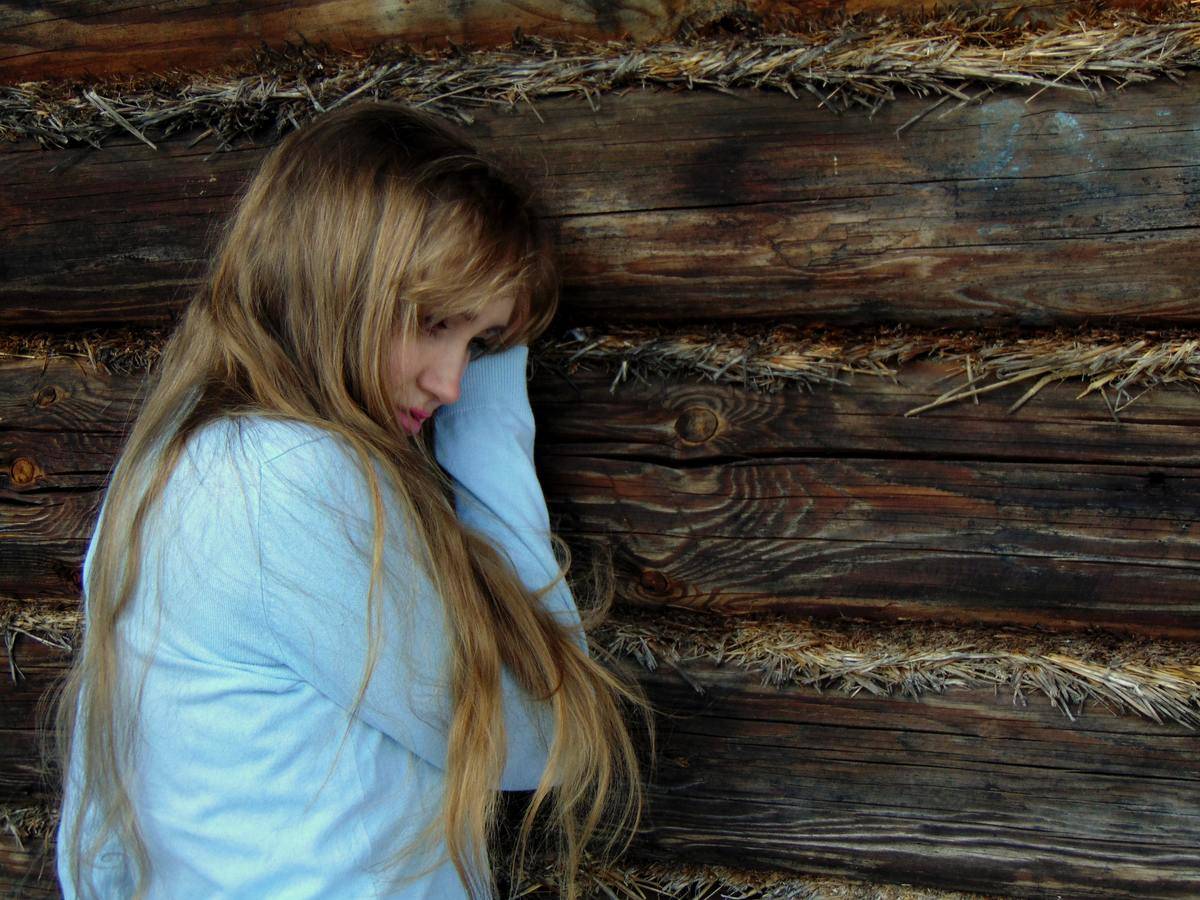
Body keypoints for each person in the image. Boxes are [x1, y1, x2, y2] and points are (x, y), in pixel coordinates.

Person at [52, 100, 652, 900]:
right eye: (435, 322)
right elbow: (539, 732)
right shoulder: (289, 478)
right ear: (335, 283)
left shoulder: (182, 456)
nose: (449, 380)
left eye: (482, 345)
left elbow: (95, 847)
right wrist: (486, 422)